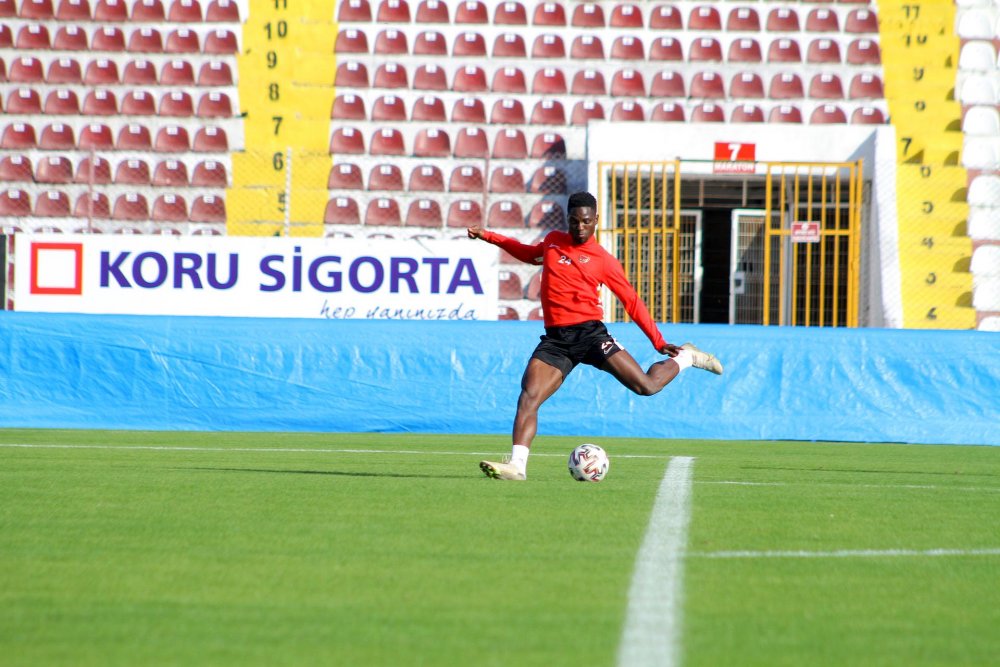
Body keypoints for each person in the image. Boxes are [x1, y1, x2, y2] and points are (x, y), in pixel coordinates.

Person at [467, 191, 723, 481]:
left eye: (586, 222)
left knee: (647, 387)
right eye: (574, 221)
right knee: (529, 396)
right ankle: (517, 466)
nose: (579, 228)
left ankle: (687, 357)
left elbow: (632, 302)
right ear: (567, 219)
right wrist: (488, 236)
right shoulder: (553, 241)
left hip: (590, 335)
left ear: (596, 220)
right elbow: (529, 253)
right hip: (556, 341)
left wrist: (659, 341)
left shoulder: (604, 260)